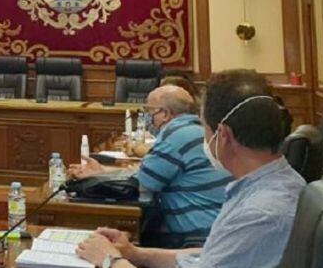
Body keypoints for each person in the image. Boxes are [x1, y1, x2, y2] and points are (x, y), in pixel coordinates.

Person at [76, 69, 304, 268]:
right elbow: (213, 256)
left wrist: (110, 260)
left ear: (222, 136)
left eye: (204, 131)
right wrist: (136, 254)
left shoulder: (264, 212)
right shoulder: (270, 182)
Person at [69, 85, 230, 246]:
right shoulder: (198, 129)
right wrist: (103, 171)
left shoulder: (175, 136)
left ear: (165, 114)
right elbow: (151, 171)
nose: (147, 117)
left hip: (197, 236)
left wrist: (96, 177)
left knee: (122, 242)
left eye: (149, 111)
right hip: (219, 226)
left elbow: (142, 185)